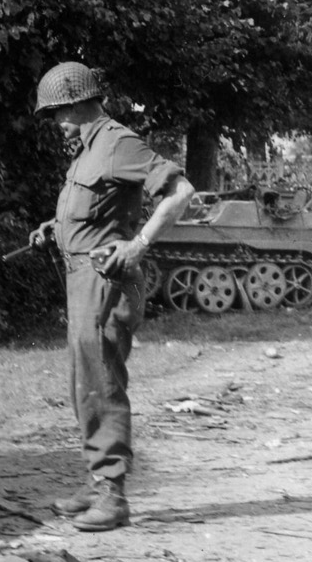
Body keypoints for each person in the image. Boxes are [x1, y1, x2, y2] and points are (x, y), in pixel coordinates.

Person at [27, 63, 195, 531]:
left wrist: (138, 244)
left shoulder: (119, 142)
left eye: (59, 115)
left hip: (106, 281)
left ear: (81, 103)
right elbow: (92, 211)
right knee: (85, 384)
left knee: (102, 383)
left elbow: (181, 192)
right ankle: (97, 479)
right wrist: (54, 229)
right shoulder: (88, 150)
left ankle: (112, 494)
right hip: (82, 279)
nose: (57, 126)